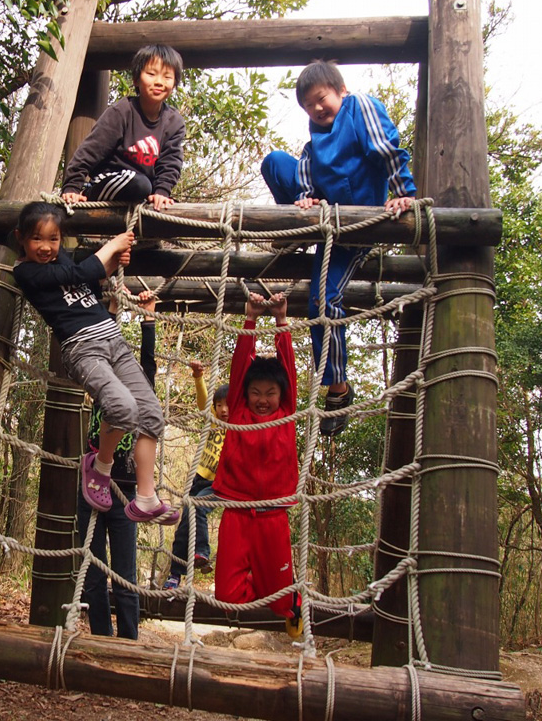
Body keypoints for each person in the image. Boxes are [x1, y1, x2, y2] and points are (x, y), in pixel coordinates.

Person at [260, 59, 416, 435]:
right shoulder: (315, 141)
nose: (316, 108)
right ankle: (299, 235)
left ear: (340, 91)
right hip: (324, 218)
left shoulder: (359, 107)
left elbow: (388, 150)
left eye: (321, 98)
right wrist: (307, 198)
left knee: (322, 300)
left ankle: (338, 386)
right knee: (275, 161)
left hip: (355, 229)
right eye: (308, 106)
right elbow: (308, 171)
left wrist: (403, 194)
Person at [13, 200, 179, 525]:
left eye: (53, 239)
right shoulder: (26, 271)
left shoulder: (63, 260)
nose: (46, 247)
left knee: (151, 414)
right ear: (21, 238)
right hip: (83, 349)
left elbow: (87, 280)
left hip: (113, 340)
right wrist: (112, 245)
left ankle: (146, 497)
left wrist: (112, 261)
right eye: (37, 239)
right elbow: (80, 272)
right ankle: (100, 466)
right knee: (123, 409)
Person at [212, 292, 303, 638]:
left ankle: (286, 600)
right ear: (244, 394)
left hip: (273, 515)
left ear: (281, 396)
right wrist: (250, 319)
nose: (263, 400)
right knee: (227, 596)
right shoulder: (237, 413)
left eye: (270, 393)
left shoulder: (287, 415)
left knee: (282, 603)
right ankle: (259, 588)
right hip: (237, 513)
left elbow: (289, 370)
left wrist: (282, 320)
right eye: (256, 393)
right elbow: (239, 368)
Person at [76, 292, 158, 639]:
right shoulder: (104, 395)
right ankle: (100, 637)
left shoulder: (140, 400)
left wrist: (148, 319)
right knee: (92, 571)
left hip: (124, 493)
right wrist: (110, 308)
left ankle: (129, 640)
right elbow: (101, 347)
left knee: (124, 572)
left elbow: (148, 364)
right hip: (91, 487)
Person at [61, 44, 185, 212]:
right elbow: (91, 149)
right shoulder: (121, 112)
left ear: (175, 83)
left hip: (141, 190)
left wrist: (162, 192)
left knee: (148, 191)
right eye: (151, 74)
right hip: (109, 180)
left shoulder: (174, 122)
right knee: (141, 185)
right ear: (136, 79)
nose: (159, 82)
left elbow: (170, 162)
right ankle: (90, 191)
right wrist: (72, 187)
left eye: (167, 77)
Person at [163, 361, 228, 590]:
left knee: (197, 508)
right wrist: (198, 377)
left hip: (220, 483)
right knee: (183, 529)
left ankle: (202, 551)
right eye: (219, 405)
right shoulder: (214, 422)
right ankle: (174, 575)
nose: (223, 410)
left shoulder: (238, 428)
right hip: (199, 478)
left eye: (228, 406)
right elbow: (203, 403)